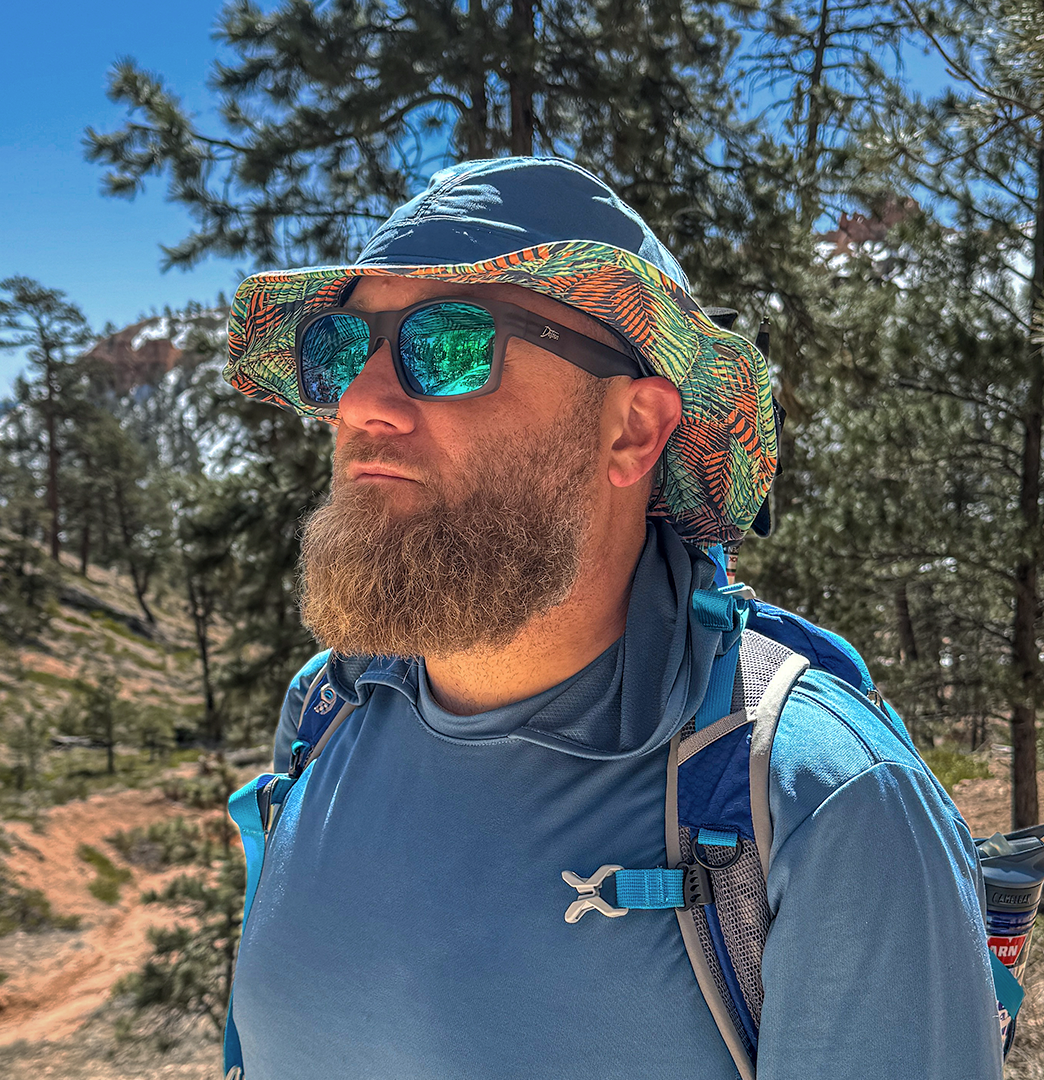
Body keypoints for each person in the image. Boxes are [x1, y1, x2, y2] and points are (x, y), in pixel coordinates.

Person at [222, 157, 1002, 1079]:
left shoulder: (821, 800)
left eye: (451, 344)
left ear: (632, 430)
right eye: (340, 350)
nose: (362, 402)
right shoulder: (327, 713)